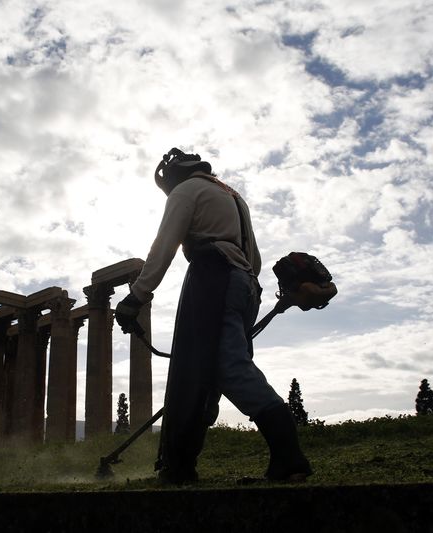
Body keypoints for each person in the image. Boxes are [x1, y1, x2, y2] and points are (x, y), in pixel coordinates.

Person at [114, 148, 312, 485]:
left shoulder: (187, 191)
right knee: (202, 374)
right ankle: (180, 466)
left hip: (214, 277)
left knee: (227, 367)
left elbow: (164, 245)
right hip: (244, 281)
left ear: (174, 175)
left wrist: (136, 297)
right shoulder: (231, 195)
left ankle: (289, 458)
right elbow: (254, 257)